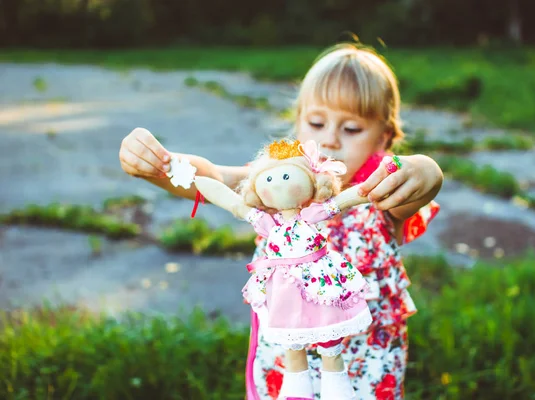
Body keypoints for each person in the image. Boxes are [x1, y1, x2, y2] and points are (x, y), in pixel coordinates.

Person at [119, 42, 443, 399]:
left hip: (363, 362)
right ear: (298, 122)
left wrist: (427, 170)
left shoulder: (380, 191)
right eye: (316, 123)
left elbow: (416, 187)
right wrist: (162, 165)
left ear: (383, 136)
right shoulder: (277, 185)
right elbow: (212, 178)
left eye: (352, 129)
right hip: (289, 356)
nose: (330, 139)